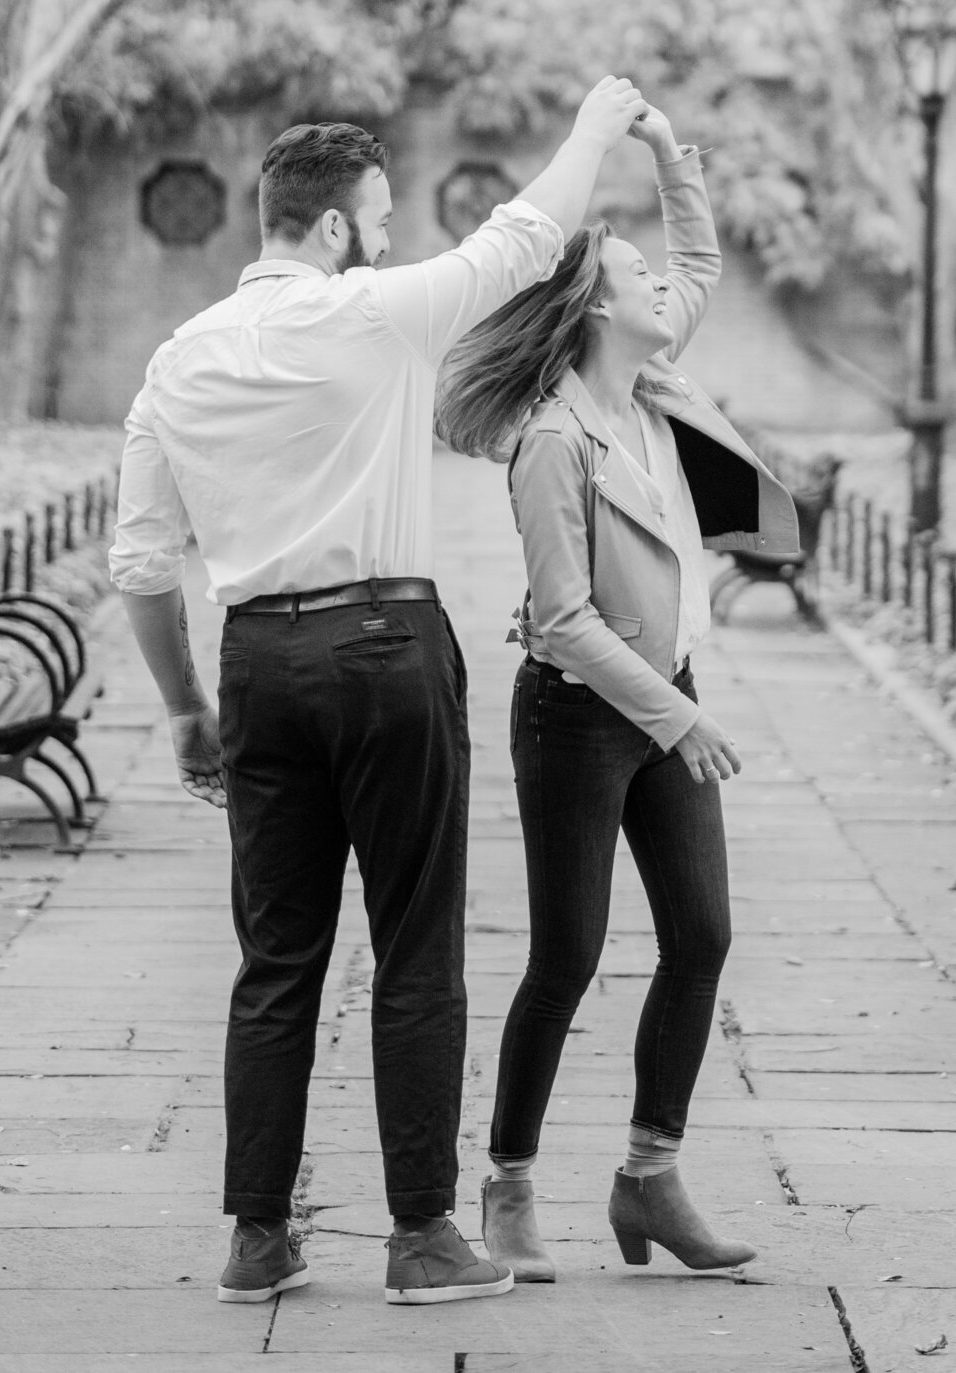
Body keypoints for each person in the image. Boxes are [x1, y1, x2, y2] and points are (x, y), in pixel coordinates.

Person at [108, 78, 648, 1311]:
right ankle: (419, 1240)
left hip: (257, 662)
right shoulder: (372, 315)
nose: (396, 237)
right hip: (385, 648)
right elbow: (524, 237)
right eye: (385, 216)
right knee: (415, 946)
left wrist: (190, 711)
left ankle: (257, 1239)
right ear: (340, 227)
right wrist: (595, 127)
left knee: (275, 958)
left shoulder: (178, 358)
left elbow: (142, 564)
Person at [436, 106, 800, 1279]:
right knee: (568, 956)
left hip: (662, 698)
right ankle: (507, 1187)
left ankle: (648, 1178)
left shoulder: (651, 384)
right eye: (633, 272)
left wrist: (666, 152)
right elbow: (559, 620)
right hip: (580, 720)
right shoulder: (554, 441)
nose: (662, 284)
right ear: (597, 305)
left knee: (701, 938)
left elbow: (696, 258)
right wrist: (679, 715)